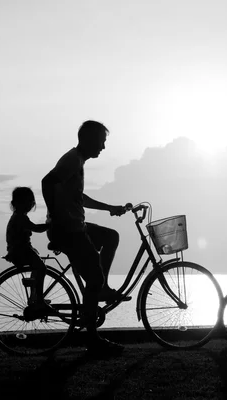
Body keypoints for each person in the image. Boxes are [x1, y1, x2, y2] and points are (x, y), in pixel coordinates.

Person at [41, 120, 130, 353]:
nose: (103, 147)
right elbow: (47, 182)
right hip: (69, 230)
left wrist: (109, 207)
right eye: (101, 141)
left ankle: (102, 287)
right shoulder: (72, 160)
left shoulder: (77, 161)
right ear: (89, 139)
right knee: (93, 278)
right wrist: (56, 216)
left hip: (76, 226)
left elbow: (80, 198)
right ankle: (92, 339)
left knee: (111, 237)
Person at [4, 187, 51, 312]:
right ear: (16, 204)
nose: (30, 204)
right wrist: (50, 225)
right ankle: (39, 301)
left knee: (37, 269)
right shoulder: (20, 218)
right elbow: (36, 228)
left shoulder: (18, 216)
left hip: (19, 250)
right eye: (27, 201)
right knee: (42, 268)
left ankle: (34, 297)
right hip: (21, 251)